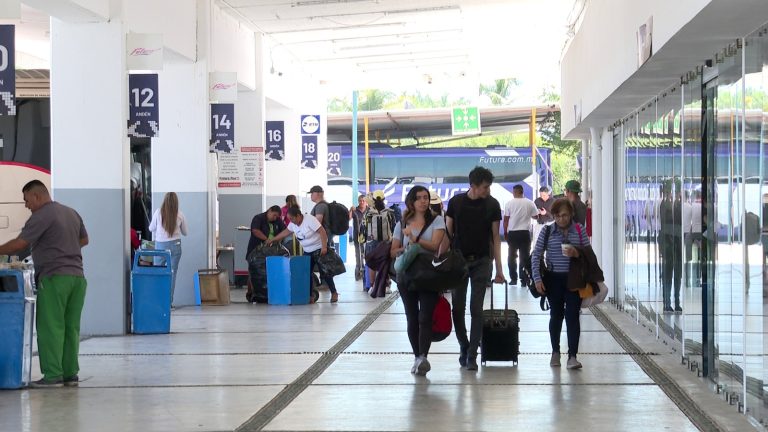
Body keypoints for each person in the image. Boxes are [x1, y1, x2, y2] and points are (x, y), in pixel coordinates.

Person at [0, 180, 89, 387]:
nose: (26, 205)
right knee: (70, 328)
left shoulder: (41, 216)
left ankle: (52, 375)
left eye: (26, 200)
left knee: (50, 327)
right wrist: (62, 246)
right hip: (77, 278)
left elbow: (20, 244)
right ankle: (70, 374)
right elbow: (85, 240)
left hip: (54, 277)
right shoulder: (71, 212)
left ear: (36, 196)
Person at [445, 166, 506, 371]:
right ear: (473, 185)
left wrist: (499, 269)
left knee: (476, 309)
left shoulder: (492, 204)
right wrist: (440, 263)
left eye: (489, 187)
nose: (487, 191)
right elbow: (447, 234)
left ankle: (472, 354)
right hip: (459, 261)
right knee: (457, 308)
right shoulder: (456, 203)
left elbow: (496, 237)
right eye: (485, 187)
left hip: (482, 261)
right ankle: (464, 345)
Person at [390, 185, 446, 376]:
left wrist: (414, 239)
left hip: (429, 275)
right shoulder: (401, 224)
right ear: (411, 201)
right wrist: (402, 250)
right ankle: (417, 356)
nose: (423, 201)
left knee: (425, 317)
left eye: (426, 197)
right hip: (407, 276)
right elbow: (393, 250)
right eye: (419, 198)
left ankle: (423, 356)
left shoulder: (437, 221)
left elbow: (434, 246)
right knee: (412, 317)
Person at [531, 198, 588, 370]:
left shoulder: (579, 230)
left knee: (573, 316)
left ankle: (572, 356)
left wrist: (576, 253)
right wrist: (537, 279)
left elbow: (589, 254)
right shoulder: (547, 231)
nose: (561, 219)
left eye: (564, 215)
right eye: (557, 216)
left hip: (574, 279)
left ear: (571, 214)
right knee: (556, 315)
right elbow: (536, 255)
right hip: (553, 279)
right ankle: (555, 351)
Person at [268, 207, 339, 303]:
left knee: (325, 272)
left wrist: (324, 247)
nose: (291, 221)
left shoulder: (309, 220)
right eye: (290, 219)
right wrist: (274, 239)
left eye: (292, 219)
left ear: (298, 215)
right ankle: (310, 296)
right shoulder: (293, 224)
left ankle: (334, 292)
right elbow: (286, 232)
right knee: (306, 273)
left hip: (319, 249)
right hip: (307, 250)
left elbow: (322, 232)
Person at [149, 192, 188, 305]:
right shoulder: (180, 214)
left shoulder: (158, 212)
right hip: (175, 246)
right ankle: (168, 302)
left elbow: (151, 228)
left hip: (160, 246)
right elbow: (185, 232)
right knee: (172, 273)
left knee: (158, 273)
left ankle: (158, 300)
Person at [503, 184, 538, 286]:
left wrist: (505, 232)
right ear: (522, 192)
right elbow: (536, 217)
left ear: (515, 192)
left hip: (512, 233)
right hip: (525, 233)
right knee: (524, 257)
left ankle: (513, 279)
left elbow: (506, 220)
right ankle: (524, 281)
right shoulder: (530, 203)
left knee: (511, 256)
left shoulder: (509, 203)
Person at [364, 190, 395, 290]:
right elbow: (393, 226)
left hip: (371, 241)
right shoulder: (389, 212)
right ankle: (386, 285)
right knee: (385, 263)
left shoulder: (368, 213)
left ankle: (373, 286)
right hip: (386, 241)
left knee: (372, 264)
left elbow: (363, 227)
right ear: (384, 199)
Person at [659, 184, 683, 312]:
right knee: (668, 275)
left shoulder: (677, 206)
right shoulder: (664, 205)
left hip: (676, 242)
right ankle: (667, 302)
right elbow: (665, 223)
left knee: (677, 275)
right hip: (668, 243)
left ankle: (677, 301)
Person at [350, 195, 368, 281]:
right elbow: (348, 218)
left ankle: (366, 271)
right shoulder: (355, 210)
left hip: (367, 236)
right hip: (357, 235)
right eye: (360, 201)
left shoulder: (369, 210)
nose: (361, 202)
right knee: (358, 253)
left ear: (366, 201)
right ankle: (359, 271)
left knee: (366, 253)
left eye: (363, 201)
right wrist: (350, 210)